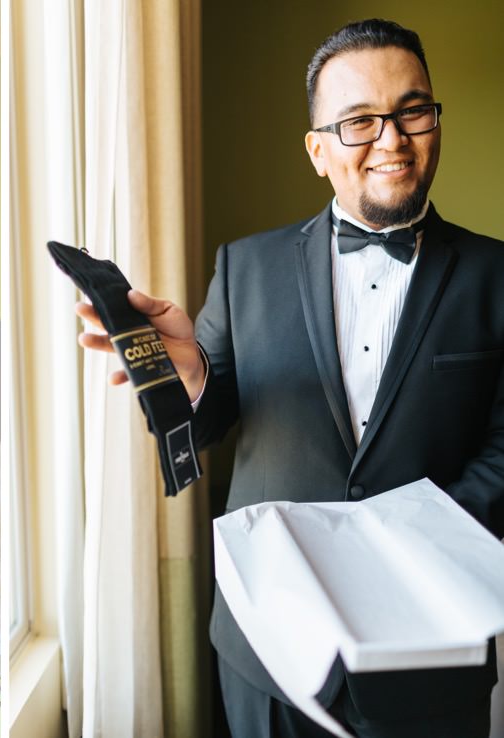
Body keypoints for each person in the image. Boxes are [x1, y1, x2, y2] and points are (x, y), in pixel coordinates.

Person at [79, 18, 504, 737]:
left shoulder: (497, 276)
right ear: (317, 150)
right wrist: (186, 376)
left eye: (413, 110)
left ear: (435, 119)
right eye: (358, 121)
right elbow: (207, 426)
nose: (392, 140)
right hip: (265, 652)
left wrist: (397, 543)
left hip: (430, 652)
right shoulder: (245, 267)